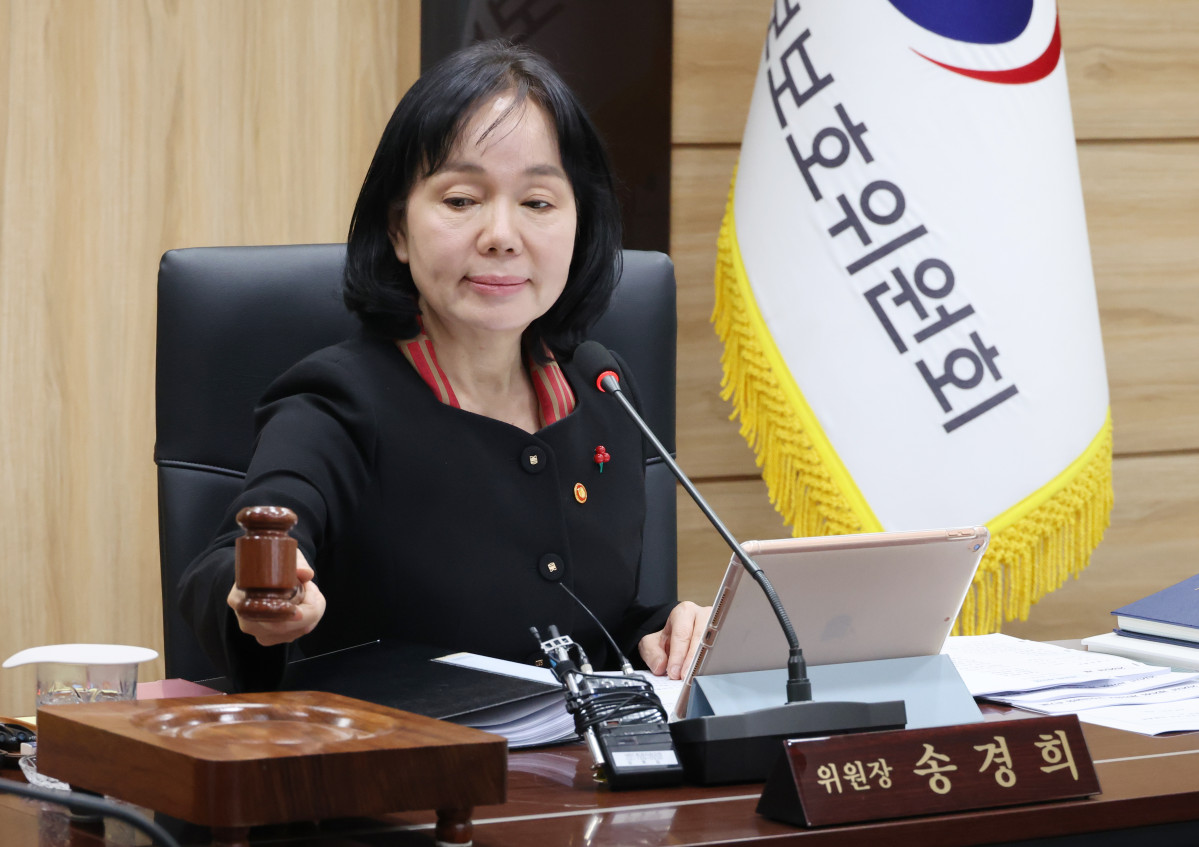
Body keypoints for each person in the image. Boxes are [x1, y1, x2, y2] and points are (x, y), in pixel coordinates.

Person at [179, 40, 710, 689]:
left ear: (580, 225)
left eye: (538, 202)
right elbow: (230, 564)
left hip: (577, 781)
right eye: (461, 200)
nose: (501, 233)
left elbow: (594, 623)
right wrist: (264, 593)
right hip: (394, 774)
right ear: (398, 229)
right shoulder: (339, 400)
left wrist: (659, 632)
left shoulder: (602, 390)